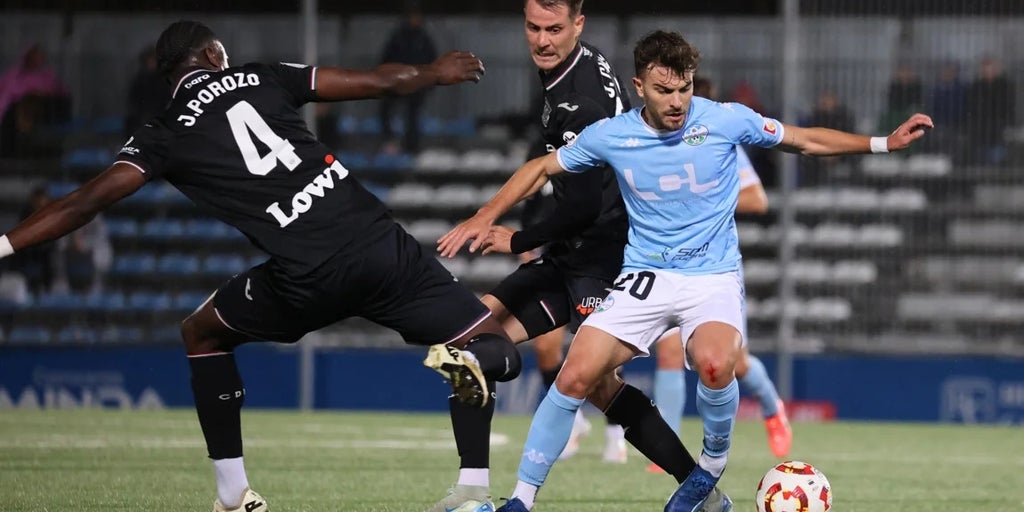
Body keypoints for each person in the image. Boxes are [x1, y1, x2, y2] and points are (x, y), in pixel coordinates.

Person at [0, 20, 525, 512]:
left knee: (202, 333)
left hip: (307, 275)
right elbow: (377, 82)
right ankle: (471, 484)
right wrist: (433, 72)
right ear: (212, 55)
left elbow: (83, 204)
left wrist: (4, 245)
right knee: (490, 345)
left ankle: (233, 494)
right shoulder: (262, 76)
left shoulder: (163, 132)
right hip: (379, 246)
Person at [438, 29, 931, 512]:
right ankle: (521, 501)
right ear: (639, 88)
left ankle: (710, 470)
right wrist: (486, 216)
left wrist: (883, 142)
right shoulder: (614, 135)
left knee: (715, 365)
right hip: (644, 276)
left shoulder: (725, 120)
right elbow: (542, 169)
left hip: (710, 278)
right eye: (664, 90)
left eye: (684, 88)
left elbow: (802, 140)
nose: (677, 101)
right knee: (576, 375)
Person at [428, 4, 725, 512]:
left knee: (596, 385)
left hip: (606, 256)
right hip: (575, 249)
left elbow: (586, 200)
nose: (542, 41)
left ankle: (702, 490)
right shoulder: (579, 66)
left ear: (578, 25)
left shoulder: (578, 98)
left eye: (554, 30)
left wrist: (518, 239)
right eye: (533, 28)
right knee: (466, 336)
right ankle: (473, 487)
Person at [646, 77, 791, 474]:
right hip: (668, 262)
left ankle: (771, 406)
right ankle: (668, 448)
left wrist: (702, 199)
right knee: (670, 351)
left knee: (734, 363)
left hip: (713, 265)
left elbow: (756, 198)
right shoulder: (652, 145)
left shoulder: (719, 141)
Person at [378, 4, 438, 153]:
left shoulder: (423, 39)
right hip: (397, 82)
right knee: (386, 110)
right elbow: (387, 59)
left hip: (417, 85)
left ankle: (411, 148)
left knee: (412, 116)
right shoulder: (398, 37)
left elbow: (432, 62)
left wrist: (428, 82)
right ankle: (389, 141)